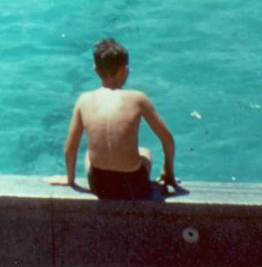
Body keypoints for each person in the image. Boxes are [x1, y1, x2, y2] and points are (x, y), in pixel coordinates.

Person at [47, 38, 176, 200]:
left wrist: (70, 180)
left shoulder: (84, 99)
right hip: (133, 185)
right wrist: (168, 173)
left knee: (88, 154)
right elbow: (168, 140)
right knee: (145, 152)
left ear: (95, 70)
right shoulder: (138, 99)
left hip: (100, 185)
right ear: (125, 70)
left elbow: (70, 148)